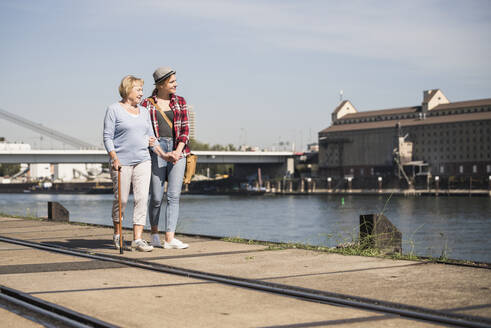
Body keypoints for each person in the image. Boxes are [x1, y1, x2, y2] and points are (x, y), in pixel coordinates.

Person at [103, 75, 171, 252]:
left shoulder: (144, 112)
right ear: (128, 90)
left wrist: (164, 154)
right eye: (138, 89)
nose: (142, 93)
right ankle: (118, 234)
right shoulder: (114, 109)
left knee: (141, 198)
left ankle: (138, 239)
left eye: (142, 89)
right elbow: (107, 137)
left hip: (143, 160)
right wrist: (114, 158)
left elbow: (151, 138)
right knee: (122, 200)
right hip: (121, 162)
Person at [141, 67, 190, 249]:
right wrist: (159, 149)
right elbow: (145, 132)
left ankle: (169, 238)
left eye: (175, 81)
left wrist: (177, 151)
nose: (176, 84)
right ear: (161, 84)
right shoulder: (146, 104)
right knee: (155, 196)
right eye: (172, 82)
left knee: (174, 196)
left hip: (179, 150)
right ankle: (154, 233)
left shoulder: (181, 102)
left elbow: (185, 130)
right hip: (156, 151)